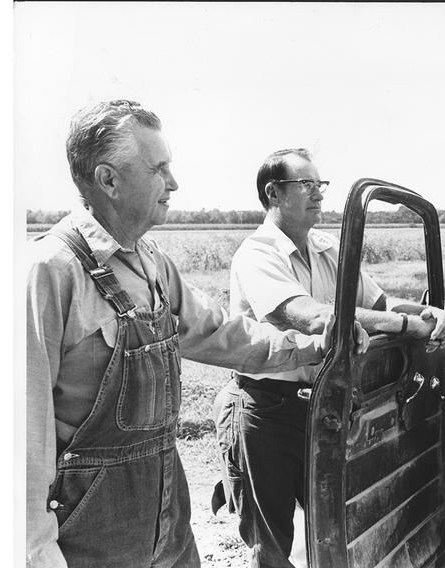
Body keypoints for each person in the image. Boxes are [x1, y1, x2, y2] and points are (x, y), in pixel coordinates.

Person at [25, 101, 369, 568]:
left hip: (168, 511)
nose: (173, 182)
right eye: (159, 168)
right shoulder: (50, 272)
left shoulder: (152, 263)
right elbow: (24, 435)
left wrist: (319, 344)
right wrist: (36, 553)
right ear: (108, 180)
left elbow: (223, 333)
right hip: (93, 533)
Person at [211, 148, 445, 568]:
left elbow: (379, 301)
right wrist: (403, 327)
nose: (319, 195)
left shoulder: (327, 249)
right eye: (306, 185)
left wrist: (429, 314)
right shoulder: (257, 255)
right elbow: (311, 317)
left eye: (320, 185)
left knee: (335, 525)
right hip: (268, 407)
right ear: (274, 193)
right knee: (270, 542)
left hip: (325, 405)